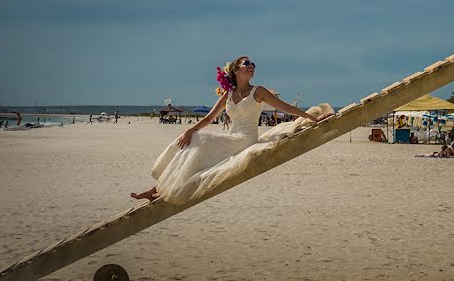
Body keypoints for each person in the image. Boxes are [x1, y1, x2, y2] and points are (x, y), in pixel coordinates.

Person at [131, 56, 333, 204]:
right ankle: (155, 189)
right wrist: (189, 130)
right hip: (231, 139)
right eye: (247, 64)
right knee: (191, 141)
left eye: (253, 64)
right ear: (236, 70)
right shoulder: (228, 94)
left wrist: (313, 118)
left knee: (200, 140)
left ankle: (159, 190)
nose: (252, 66)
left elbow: (286, 107)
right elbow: (210, 117)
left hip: (246, 139)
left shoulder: (258, 91)